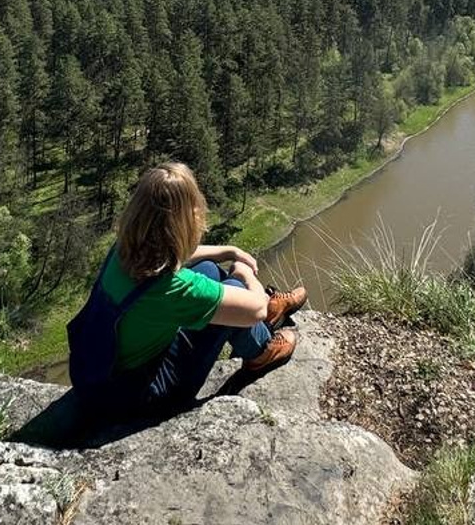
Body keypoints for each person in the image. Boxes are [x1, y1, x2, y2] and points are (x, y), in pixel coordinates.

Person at [74, 161, 306, 425]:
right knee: (236, 288)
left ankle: (262, 321)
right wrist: (246, 274)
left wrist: (229, 251)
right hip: (144, 397)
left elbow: (172, 258)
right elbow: (256, 311)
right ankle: (261, 352)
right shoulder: (171, 287)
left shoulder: (124, 251)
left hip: (105, 376)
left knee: (207, 268)